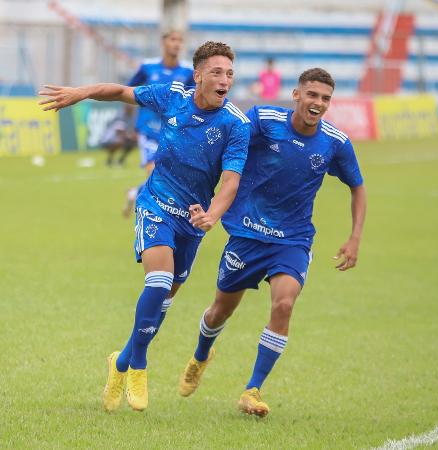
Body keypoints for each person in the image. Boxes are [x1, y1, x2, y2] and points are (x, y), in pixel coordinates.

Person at [39, 41, 250, 413]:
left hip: (193, 218)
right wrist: (81, 92)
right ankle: (138, 365)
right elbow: (121, 92)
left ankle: (120, 361)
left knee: (164, 300)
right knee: (159, 281)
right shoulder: (172, 97)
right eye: (217, 72)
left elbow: (231, 181)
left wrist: (213, 214)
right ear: (198, 75)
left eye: (230, 73)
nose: (224, 80)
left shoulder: (235, 124)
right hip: (155, 205)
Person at [179, 67, 367, 417]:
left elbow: (358, 186)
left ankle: (253, 390)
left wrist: (355, 237)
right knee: (221, 309)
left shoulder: (335, 143)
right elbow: (230, 146)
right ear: (296, 95)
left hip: (292, 240)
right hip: (247, 234)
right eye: (312, 95)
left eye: (325, 98)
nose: (318, 103)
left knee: (283, 305)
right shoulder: (264, 120)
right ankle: (201, 355)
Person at [123, 30, 195, 217]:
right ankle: (155, 214)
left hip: (173, 132)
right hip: (148, 129)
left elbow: (193, 100)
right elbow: (129, 92)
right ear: (163, 42)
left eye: (180, 40)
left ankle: (136, 193)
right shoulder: (147, 67)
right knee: (154, 172)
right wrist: (128, 125)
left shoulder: (188, 71)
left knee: (166, 176)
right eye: (173, 39)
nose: (176, 44)